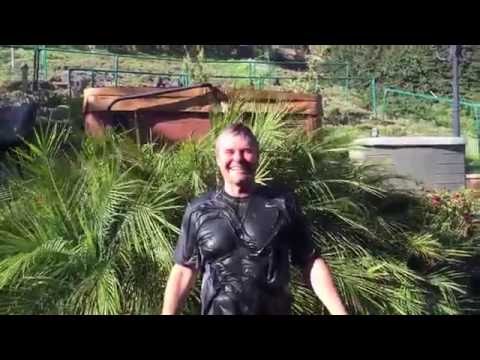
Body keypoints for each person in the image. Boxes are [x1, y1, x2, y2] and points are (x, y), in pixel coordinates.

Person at [162, 123, 347, 315]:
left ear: (257, 156)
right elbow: (184, 270)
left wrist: (340, 312)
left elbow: (310, 262)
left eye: (246, 151)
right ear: (217, 159)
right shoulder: (199, 210)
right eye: (229, 152)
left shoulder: (282, 204)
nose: (238, 158)